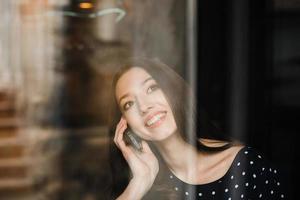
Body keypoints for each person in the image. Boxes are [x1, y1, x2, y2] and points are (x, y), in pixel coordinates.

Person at [108, 57, 286, 199]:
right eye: (129, 104)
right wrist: (139, 184)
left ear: (173, 90)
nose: (144, 106)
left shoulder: (246, 165)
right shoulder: (143, 181)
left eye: (152, 88)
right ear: (125, 126)